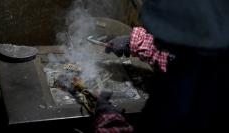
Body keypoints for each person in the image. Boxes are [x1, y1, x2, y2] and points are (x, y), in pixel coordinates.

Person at [98, 0, 229, 132]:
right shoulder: (203, 53)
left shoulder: (202, 95)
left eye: (161, 39)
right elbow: (170, 56)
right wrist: (132, 41)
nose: (156, 42)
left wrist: (110, 122)